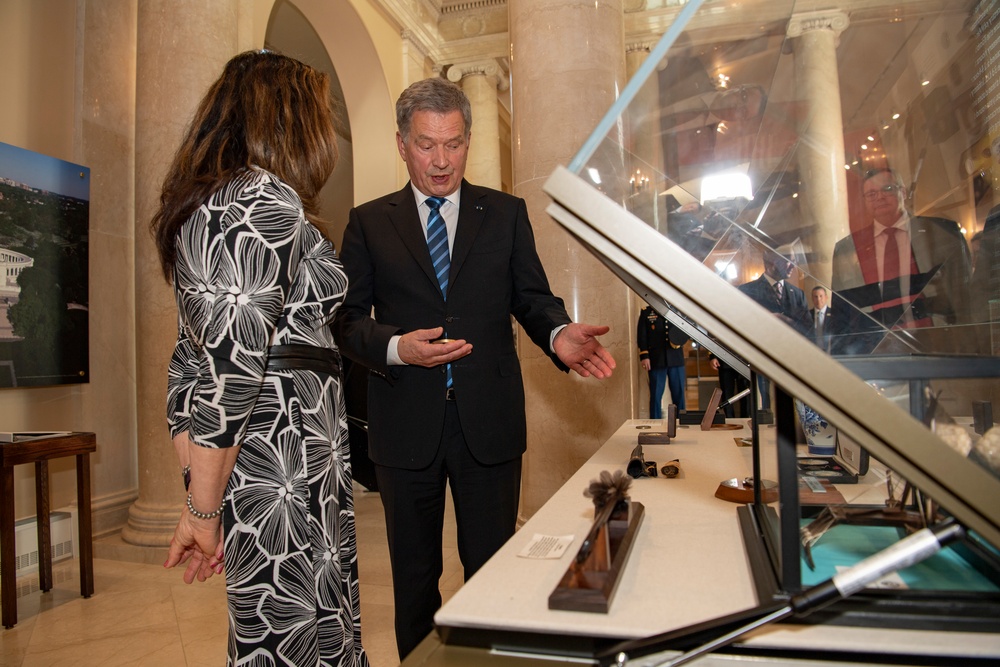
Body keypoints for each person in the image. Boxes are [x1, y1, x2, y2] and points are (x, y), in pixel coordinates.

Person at [333, 77, 616, 660]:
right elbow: (346, 322)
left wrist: (559, 334)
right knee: (414, 581)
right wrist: (396, 347)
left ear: (468, 140)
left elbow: (533, 298)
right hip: (404, 425)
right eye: (427, 145)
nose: (441, 161)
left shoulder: (505, 214)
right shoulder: (369, 222)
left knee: (492, 573)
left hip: (488, 424)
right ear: (401, 144)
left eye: (454, 144)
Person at [154, 50, 368, 666]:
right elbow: (230, 374)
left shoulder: (210, 205)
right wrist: (201, 507)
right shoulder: (261, 196)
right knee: (293, 637)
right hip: (285, 460)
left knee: (287, 633)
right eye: (318, 115)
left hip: (274, 460)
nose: (325, 131)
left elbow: (186, 371)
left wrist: (205, 491)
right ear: (288, 118)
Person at [831, 168, 973, 355]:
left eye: (887, 188)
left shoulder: (941, 233)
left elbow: (965, 295)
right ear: (865, 201)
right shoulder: (847, 248)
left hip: (941, 345)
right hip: (877, 350)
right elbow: (843, 311)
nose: (879, 197)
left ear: (903, 192)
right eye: (871, 194)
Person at [737, 251, 810, 410]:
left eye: (794, 261)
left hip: (792, 363)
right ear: (772, 262)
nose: (793, 266)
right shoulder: (747, 291)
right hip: (761, 361)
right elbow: (741, 324)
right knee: (765, 408)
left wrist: (785, 320)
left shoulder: (797, 294)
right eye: (788, 261)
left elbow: (807, 329)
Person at [636, 304, 689, 417]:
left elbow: (686, 330)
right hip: (656, 359)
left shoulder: (678, 310)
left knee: (679, 394)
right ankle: (655, 423)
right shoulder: (647, 312)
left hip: (676, 358)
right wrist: (644, 356)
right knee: (655, 395)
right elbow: (642, 336)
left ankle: (681, 422)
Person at [809, 286, 832, 352]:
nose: (818, 299)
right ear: (812, 299)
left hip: (830, 352)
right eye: (815, 297)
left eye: (821, 296)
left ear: (826, 297)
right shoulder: (807, 315)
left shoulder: (834, 314)